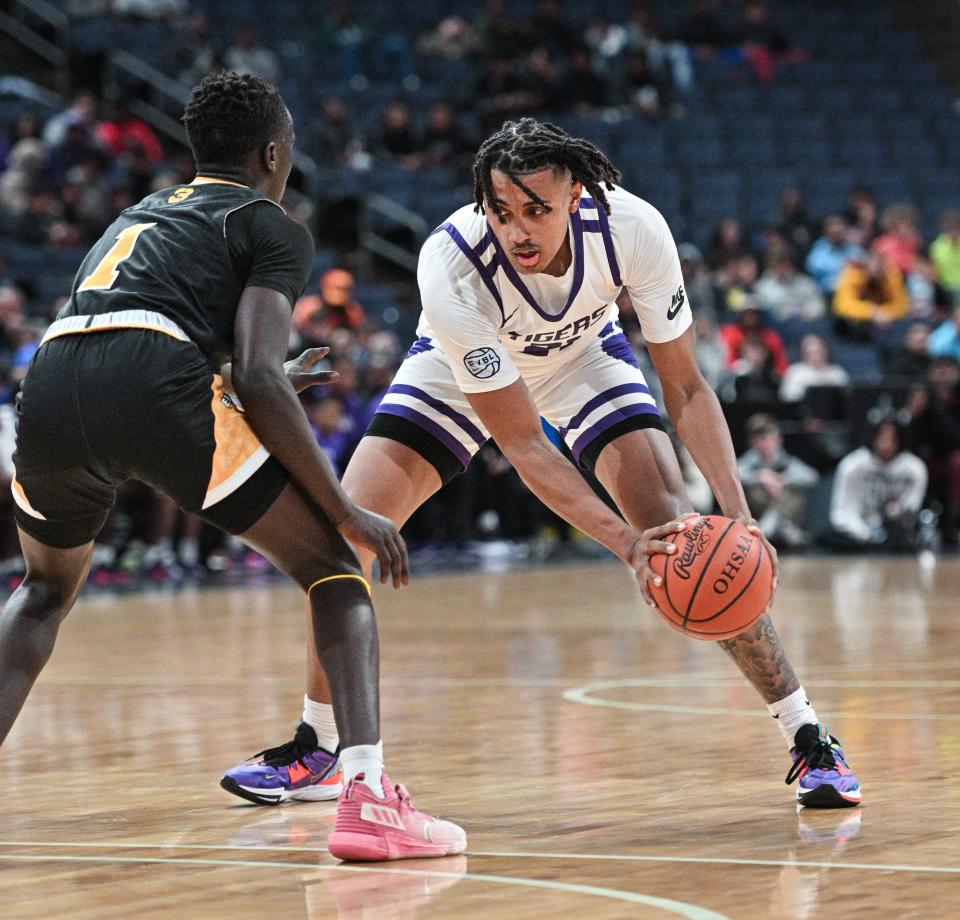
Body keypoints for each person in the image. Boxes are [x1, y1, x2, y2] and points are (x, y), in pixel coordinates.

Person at [223, 118, 861, 811]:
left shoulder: (635, 229)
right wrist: (621, 544)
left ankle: (809, 736)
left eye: (536, 210)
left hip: (583, 357)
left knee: (690, 544)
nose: (518, 229)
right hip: (457, 370)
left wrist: (736, 513)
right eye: (501, 210)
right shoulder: (452, 265)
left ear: (578, 197)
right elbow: (523, 443)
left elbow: (685, 388)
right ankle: (319, 745)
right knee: (341, 538)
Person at [0, 71, 464, 863]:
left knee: (42, 591)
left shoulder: (133, 215)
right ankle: (368, 795)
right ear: (273, 153)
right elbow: (254, 371)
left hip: (49, 383)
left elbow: (136, 329)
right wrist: (346, 511)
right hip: (152, 382)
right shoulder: (270, 223)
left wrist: (280, 375)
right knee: (335, 573)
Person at [828, 421, 928, 550]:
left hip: (894, 532)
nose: (886, 444)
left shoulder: (913, 469)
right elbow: (842, 512)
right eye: (882, 437)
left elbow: (911, 507)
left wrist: (892, 517)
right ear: (873, 438)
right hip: (857, 534)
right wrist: (865, 533)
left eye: (892, 439)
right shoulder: (853, 466)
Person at [737, 414, 818, 547]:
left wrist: (782, 479)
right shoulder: (750, 460)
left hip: (784, 511)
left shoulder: (786, 460)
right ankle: (779, 528)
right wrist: (759, 477)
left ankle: (772, 525)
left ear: (778, 439)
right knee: (752, 490)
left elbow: (811, 476)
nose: (764, 443)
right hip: (758, 512)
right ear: (752, 442)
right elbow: (734, 473)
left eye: (767, 438)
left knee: (793, 493)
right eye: (759, 439)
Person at [779, 333, 849, 403]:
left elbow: (846, 396)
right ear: (803, 354)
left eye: (818, 352)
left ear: (826, 351)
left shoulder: (837, 372)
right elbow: (788, 397)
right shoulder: (795, 372)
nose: (816, 357)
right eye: (811, 353)